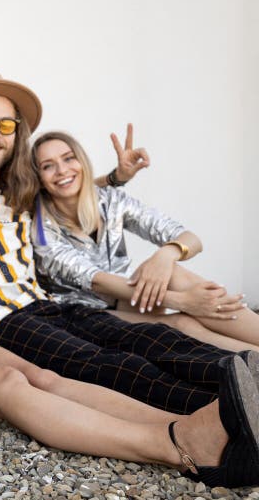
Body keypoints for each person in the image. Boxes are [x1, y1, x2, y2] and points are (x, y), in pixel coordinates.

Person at [0, 106, 259, 487]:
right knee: (97, 365)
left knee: (136, 342)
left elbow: (68, 185)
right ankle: (215, 422)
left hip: (27, 306)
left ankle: (234, 392)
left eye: (5, 124)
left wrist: (113, 179)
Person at [29, 128, 259, 353]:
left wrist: (166, 255)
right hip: (82, 315)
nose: (62, 170)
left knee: (173, 273)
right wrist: (183, 302)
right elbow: (96, 281)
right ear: (38, 178)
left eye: (69, 159)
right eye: (48, 166)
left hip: (127, 296)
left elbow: (191, 239)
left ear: (82, 162)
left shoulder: (109, 200)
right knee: (182, 324)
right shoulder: (41, 230)